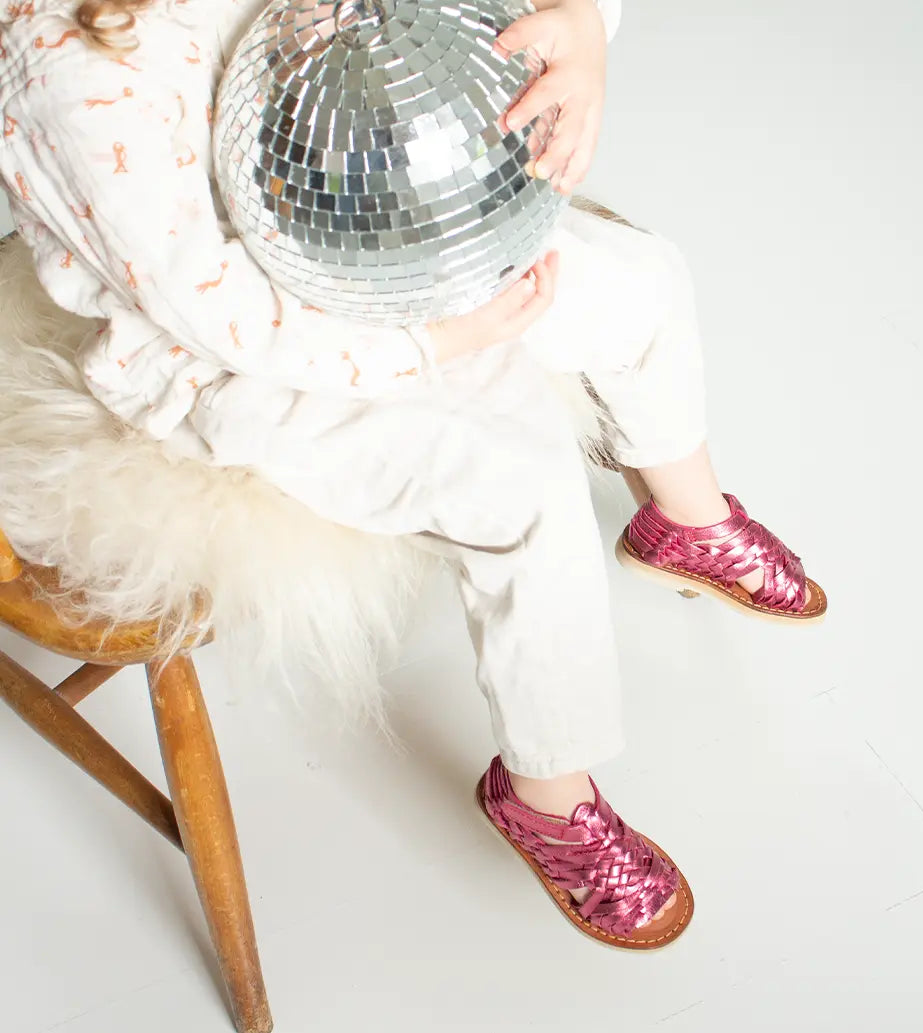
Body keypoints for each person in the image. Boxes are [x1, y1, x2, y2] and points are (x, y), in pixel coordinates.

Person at [0, 0, 825, 948]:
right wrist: (432, 344)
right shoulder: (68, 70)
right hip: (235, 355)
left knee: (640, 279)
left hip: (380, 208)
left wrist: (586, 30)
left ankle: (681, 515)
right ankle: (546, 791)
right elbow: (216, 312)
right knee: (517, 477)